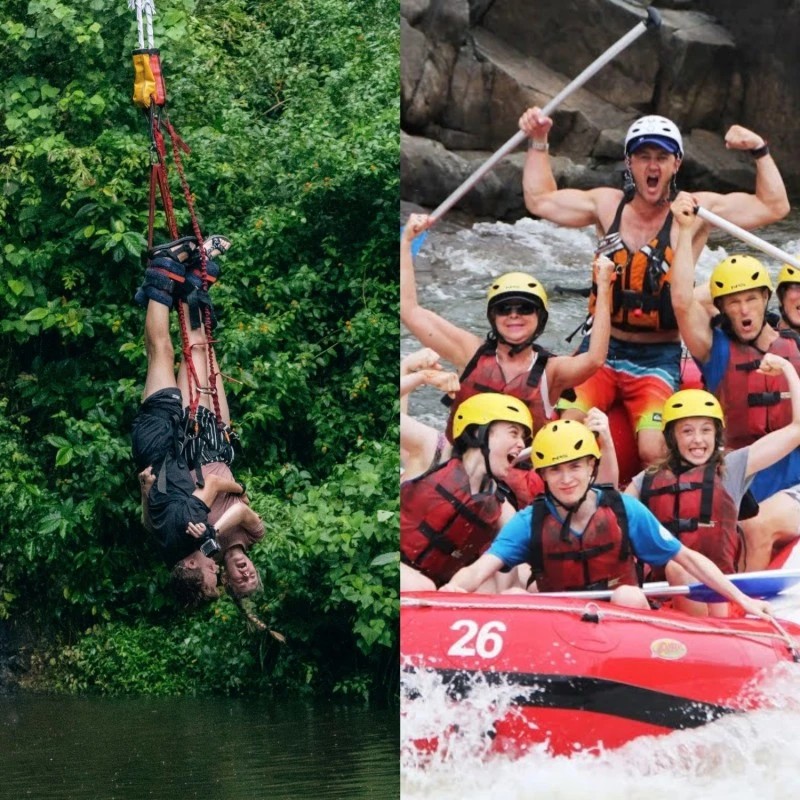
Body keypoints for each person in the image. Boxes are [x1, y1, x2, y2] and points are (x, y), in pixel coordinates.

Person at [518, 108, 790, 465]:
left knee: (652, 450)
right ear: (629, 163)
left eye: (661, 157)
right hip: (599, 348)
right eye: (643, 156)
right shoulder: (606, 204)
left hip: (657, 355)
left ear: (676, 164)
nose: (652, 166)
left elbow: (774, 206)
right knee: (570, 429)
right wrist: (538, 142)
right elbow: (540, 200)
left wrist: (759, 150)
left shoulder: (696, 211)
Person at [440, 419, 772, 620]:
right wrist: (452, 591)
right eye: (556, 470)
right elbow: (480, 569)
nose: (566, 479)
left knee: (628, 595)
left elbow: (688, 559)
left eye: (575, 467)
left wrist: (741, 600)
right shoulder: (530, 521)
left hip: (621, 628)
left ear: (591, 468)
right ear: (542, 475)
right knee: (513, 598)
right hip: (558, 623)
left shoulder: (623, 510)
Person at [401, 213, 616, 441]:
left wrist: (603, 287)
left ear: (539, 318)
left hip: (518, 472)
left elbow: (595, 359)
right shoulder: (469, 351)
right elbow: (410, 311)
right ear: (493, 317)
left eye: (524, 308)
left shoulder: (551, 372)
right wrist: (406, 244)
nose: (514, 315)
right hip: (462, 467)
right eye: (504, 309)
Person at [131, 237, 264, 606]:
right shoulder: (195, 541)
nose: (226, 575)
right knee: (200, 352)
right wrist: (146, 493)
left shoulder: (198, 538)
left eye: (218, 580)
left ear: (193, 565)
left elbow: (229, 495)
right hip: (197, 446)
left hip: (184, 447)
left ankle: (164, 271)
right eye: (227, 580)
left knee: (171, 352)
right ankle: (195, 276)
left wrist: (211, 527)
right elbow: (149, 524)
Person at [626, 378, 800, 615]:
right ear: (671, 438)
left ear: (716, 434)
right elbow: (614, 516)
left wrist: (787, 369)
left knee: (679, 568)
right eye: (687, 431)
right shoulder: (646, 480)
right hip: (668, 597)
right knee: (677, 568)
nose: (698, 440)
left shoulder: (732, 467)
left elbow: (796, 429)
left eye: (706, 430)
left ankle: (708, 633)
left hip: (721, 594)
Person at [669, 191, 800, 504]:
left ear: (766, 300)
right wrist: (686, 232)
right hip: (740, 470)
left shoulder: (795, 346)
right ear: (722, 309)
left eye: (751, 300)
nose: (744, 311)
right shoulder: (714, 349)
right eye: (734, 302)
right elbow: (682, 301)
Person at [400, 392, 532, 592]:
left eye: (523, 438)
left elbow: (509, 578)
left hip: (439, 590)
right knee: (422, 585)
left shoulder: (501, 508)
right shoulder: (433, 451)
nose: (522, 444)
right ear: (480, 432)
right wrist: (415, 375)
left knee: (511, 581)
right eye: (514, 433)